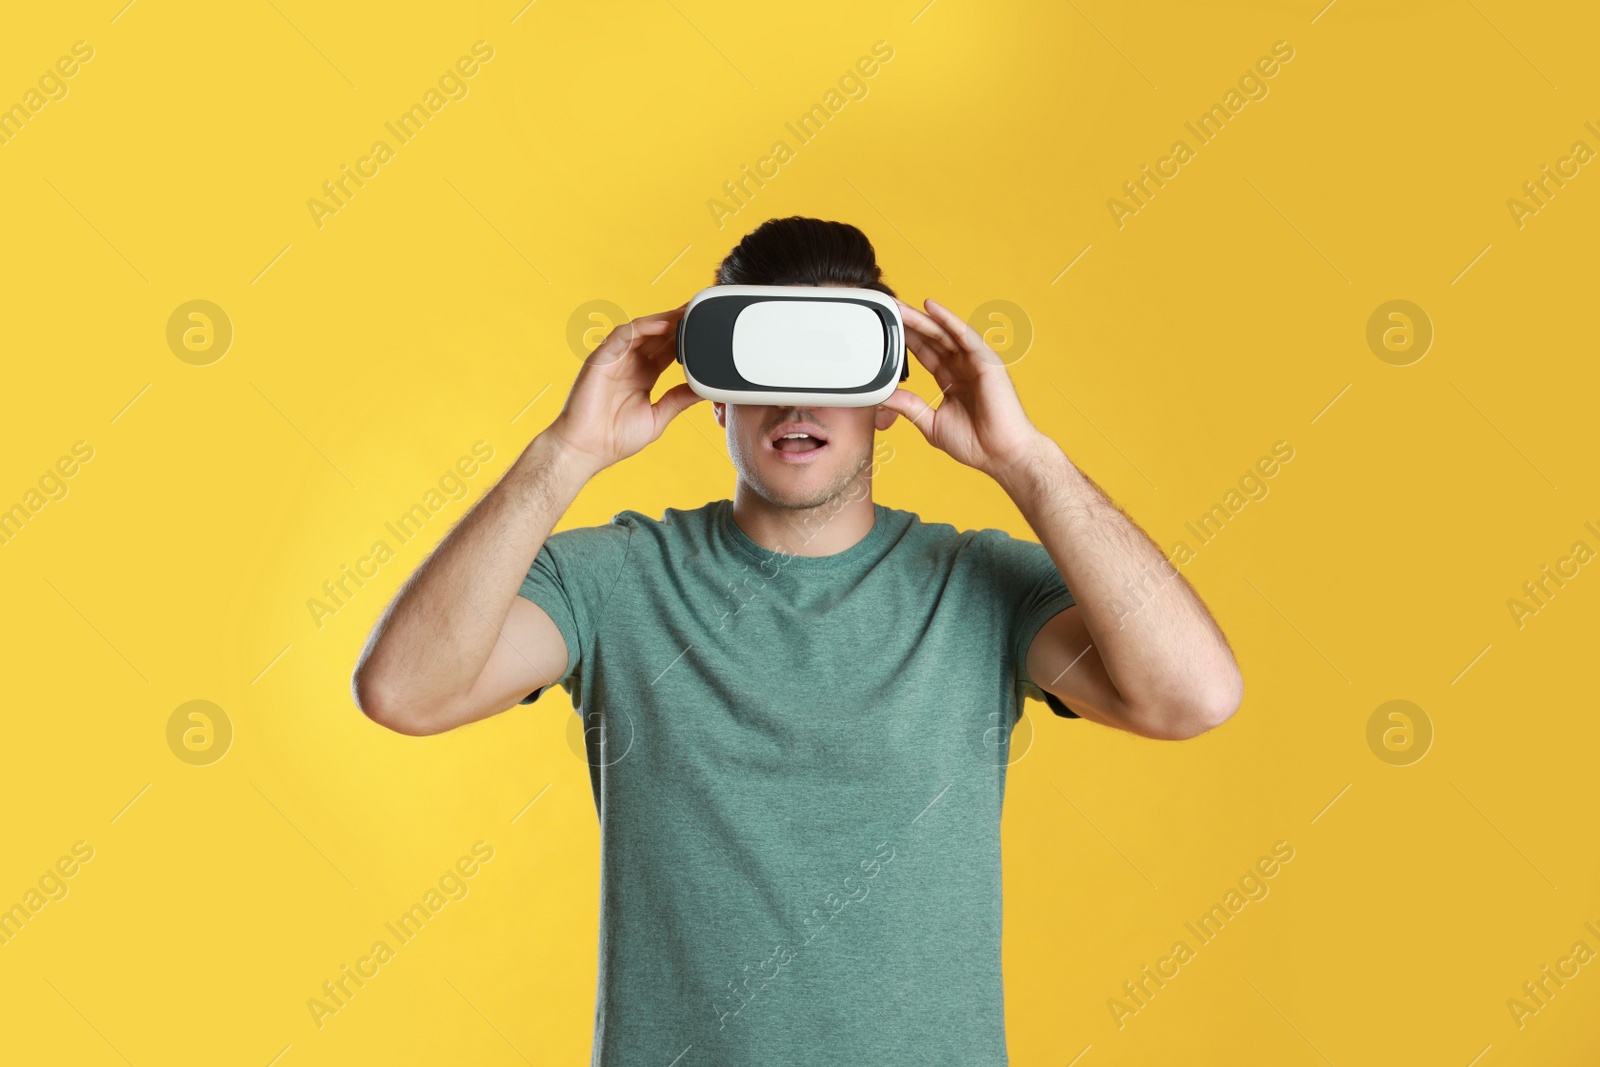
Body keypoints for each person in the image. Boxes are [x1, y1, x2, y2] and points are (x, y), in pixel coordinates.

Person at [351, 216, 1243, 1066]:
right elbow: (406, 692)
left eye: (832, 363)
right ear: (714, 395)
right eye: (765, 364)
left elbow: (1193, 696)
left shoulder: (977, 588)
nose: (796, 400)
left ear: (886, 396)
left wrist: (1027, 462)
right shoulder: (615, 581)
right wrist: (567, 452)